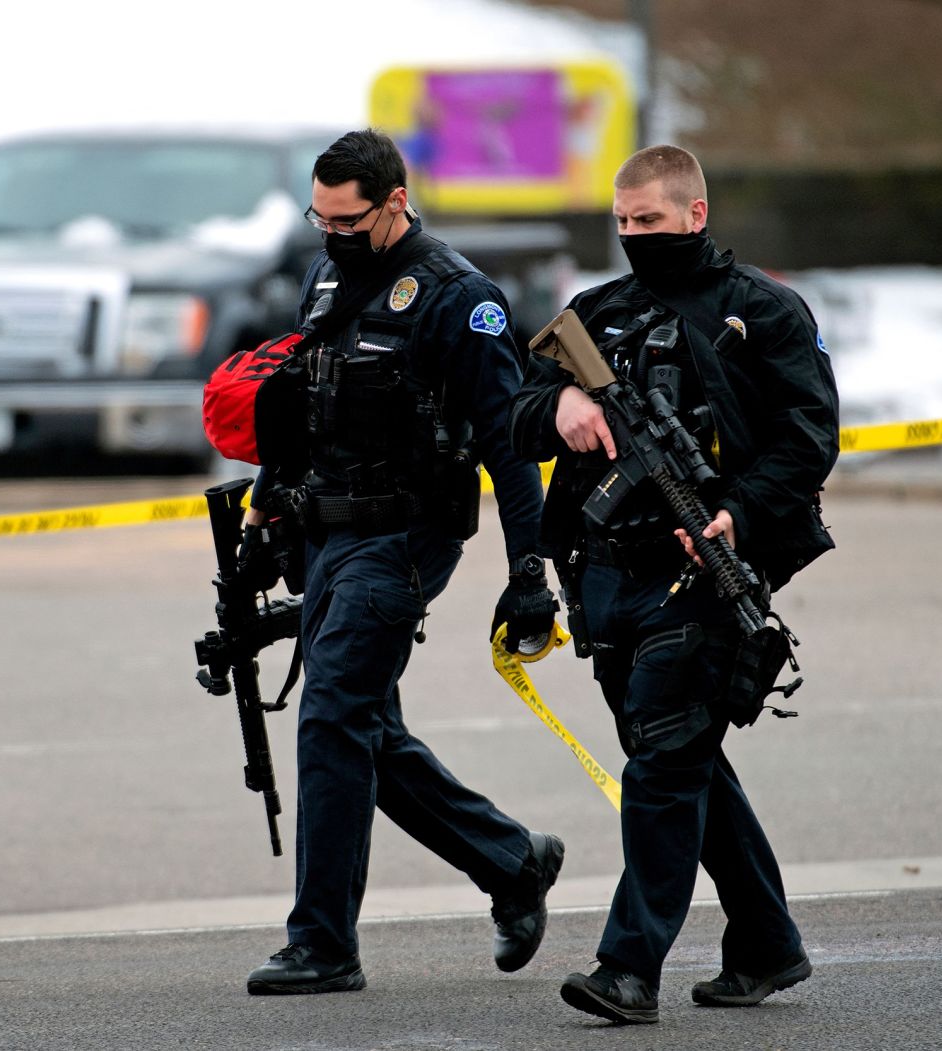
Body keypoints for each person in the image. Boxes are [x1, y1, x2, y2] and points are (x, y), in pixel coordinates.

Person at [507, 144, 838, 1024]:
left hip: (703, 574)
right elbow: (510, 417)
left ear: (695, 214)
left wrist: (741, 514)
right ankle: (767, 942)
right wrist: (560, 407)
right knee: (683, 762)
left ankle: (628, 967)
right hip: (607, 579)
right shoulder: (596, 313)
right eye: (621, 223)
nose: (633, 236)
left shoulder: (759, 311)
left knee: (662, 767)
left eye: (648, 220)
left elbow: (809, 438)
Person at [238, 129, 565, 996]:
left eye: (348, 220)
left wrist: (529, 572)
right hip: (327, 535)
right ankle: (513, 860)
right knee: (366, 731)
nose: (331, 235)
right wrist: (267, 501)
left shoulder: (462, 300)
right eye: (320, 218)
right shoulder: (325, 277)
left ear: (395, 200)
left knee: (331, 713)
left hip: (408, 537)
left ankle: (322, 944)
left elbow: (511, 446)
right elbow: (304, 404)